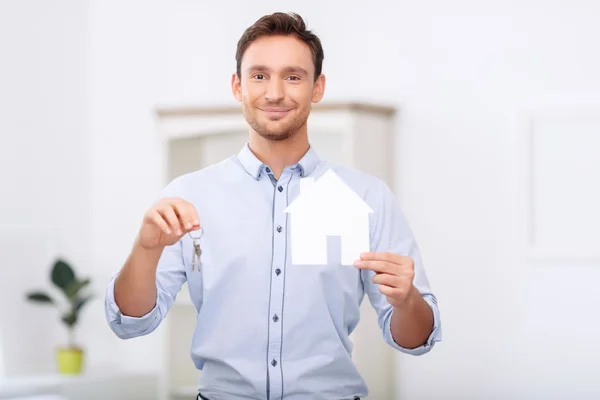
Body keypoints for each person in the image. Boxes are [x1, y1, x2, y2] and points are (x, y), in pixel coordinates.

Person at [104, 11, 442, 400]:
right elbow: (129, 324)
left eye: (293, 76)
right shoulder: (189, 195)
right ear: (238, 86)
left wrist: (407, 300)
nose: (275, 92)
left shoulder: (366, 197)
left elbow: (415, 340)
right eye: (259, 75)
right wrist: (146, 250)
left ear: (318, 88)